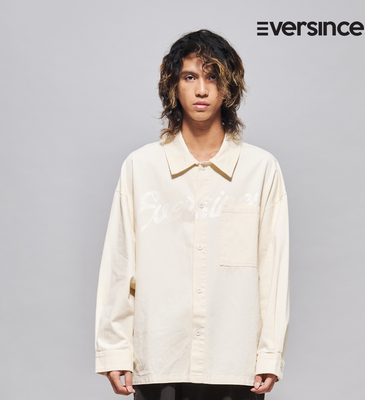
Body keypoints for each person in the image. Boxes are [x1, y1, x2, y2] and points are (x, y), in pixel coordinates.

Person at [95, 29, 290, 399]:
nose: (202, 90)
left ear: (229, 87)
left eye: (213, 77)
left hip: (235, 363)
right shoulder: (141, 167)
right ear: (173, 85)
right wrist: (115, 349)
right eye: (189, 77)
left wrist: (270, 353)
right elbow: (120, 265)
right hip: (159, 359)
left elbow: (273, 271)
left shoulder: (261, 169)